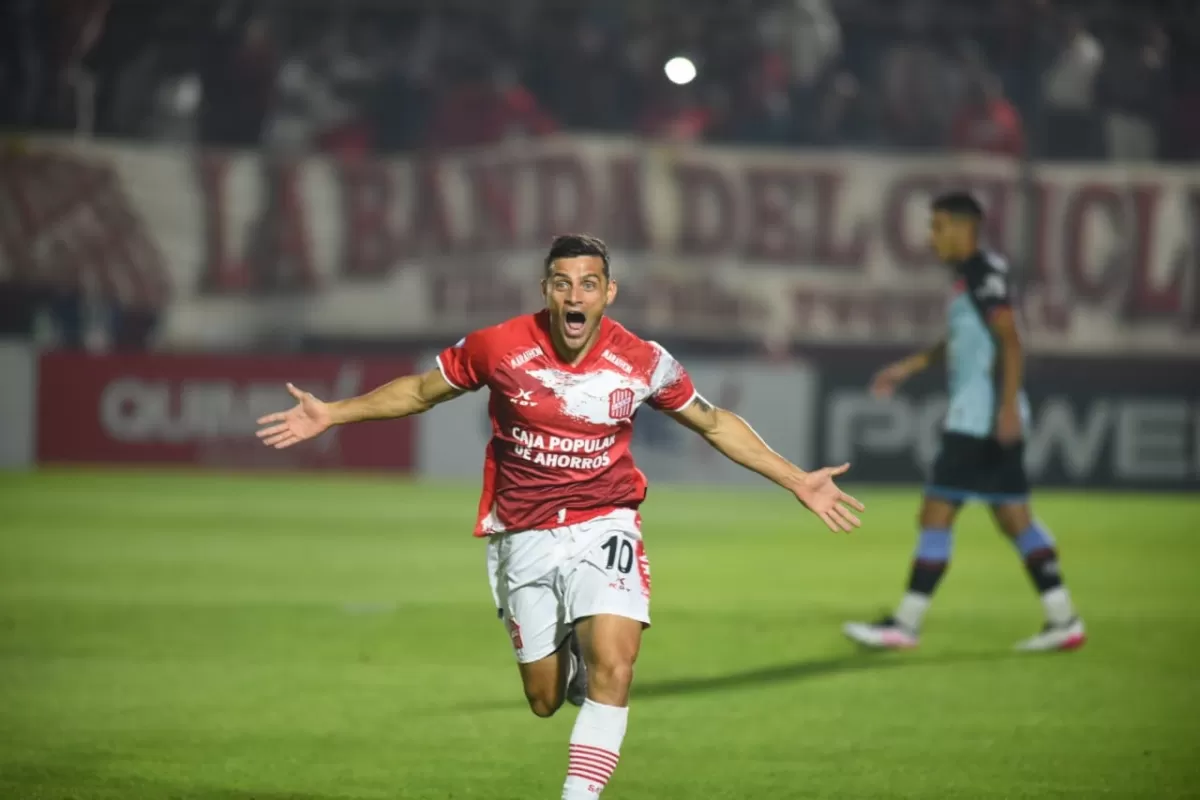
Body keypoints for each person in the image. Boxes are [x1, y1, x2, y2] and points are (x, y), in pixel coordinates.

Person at [256, 233, 865, 798]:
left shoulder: (643, 361)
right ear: (545, 290)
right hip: (522, 534)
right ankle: (571, 656)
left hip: (607, 521)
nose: (575, 295)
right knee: (545, 699)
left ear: (609, 292)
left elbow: (712, 421)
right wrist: (333, 413)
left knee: (616, 664)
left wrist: (795, 480)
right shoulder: (497, 346)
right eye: (562, 283)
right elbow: (419, 392)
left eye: (589, 283)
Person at [842, 192, 1085, 653]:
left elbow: (1011, 340)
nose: (931, 238)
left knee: (935, 514)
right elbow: (959, 339)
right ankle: (1063, 618)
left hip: (979, 421)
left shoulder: (980, 274)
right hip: (985, 418)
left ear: (961, 227)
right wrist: (909, 367)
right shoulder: (972, 277)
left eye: (937, 227)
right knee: (1016, 519)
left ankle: (906, 625)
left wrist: (1008, 408)